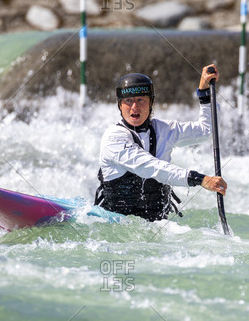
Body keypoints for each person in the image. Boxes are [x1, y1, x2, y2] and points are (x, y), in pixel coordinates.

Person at [95, 64, 228, 221]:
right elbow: (150, 166)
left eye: (140, 100)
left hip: (159, 228)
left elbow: (206, 131)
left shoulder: (164, 130)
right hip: (117, 227)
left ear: (151, 103)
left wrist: (205, 94)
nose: (134, 107)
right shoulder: (114, 137)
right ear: (119, 105)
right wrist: (200, 179)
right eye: (128, 101)